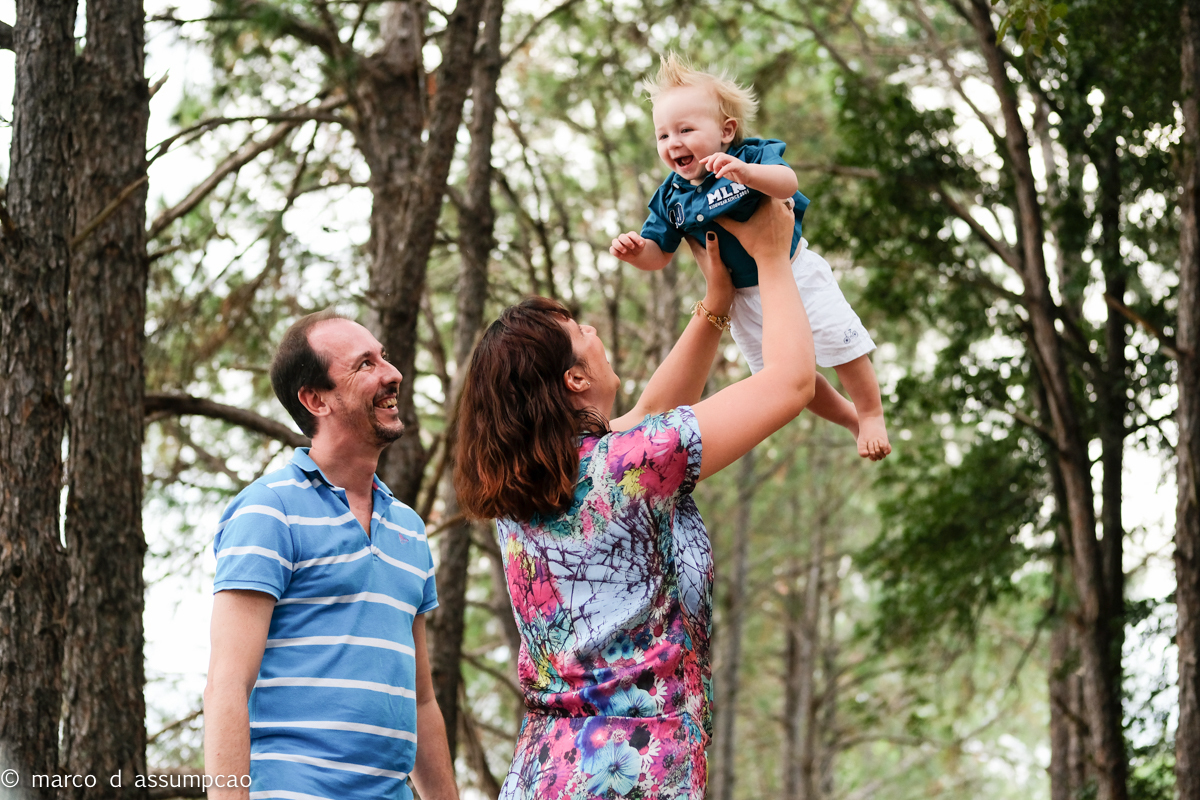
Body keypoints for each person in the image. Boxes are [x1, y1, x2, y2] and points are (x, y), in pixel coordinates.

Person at [454, 199, 813, 800]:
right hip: (632, 771)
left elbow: (646, 419)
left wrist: (716, 305)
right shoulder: (627, 465)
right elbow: (792, 382)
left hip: (543, 773)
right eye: (580, 330)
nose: (592, 332)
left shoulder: (529, 497)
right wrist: (774, 257)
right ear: (573, 379)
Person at [203, 312, 459, 800]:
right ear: (315, 399)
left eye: (383, 356)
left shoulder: (408, 528)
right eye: (365, 364)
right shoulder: (268, 510)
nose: (392, 373)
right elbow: (227, 687)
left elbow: (422, 702)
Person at [610, 53, 891, 461]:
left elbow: (787, 183)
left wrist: (747, 174)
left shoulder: (753, 156)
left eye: (685, 129)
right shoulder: (671, 197)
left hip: (795, 273)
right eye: (663, 136)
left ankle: (871, 412)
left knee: (840, 343)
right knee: (781, 376)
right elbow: (660, 255)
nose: (673, 143)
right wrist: (638, 252)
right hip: (743, 299)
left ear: (726, 131)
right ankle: (849, 418)